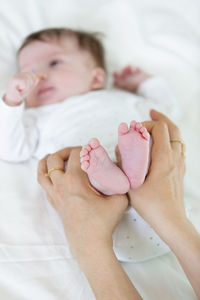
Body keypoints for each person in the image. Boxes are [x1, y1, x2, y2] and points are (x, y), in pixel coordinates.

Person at [0, 27, 179, 263]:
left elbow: (166, 115)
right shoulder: (37, 117)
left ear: (96, 77)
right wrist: (12, 102)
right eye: (27, 72)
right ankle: (108, 177)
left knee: (142, 136)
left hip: (162, 212)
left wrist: (145, 84)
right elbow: (10, 148)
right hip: (104, 217)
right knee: (87, 162)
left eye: (54, 63)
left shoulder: (120, 97)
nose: (39, 76)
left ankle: (126, 168)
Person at [38, 110, 200, 299]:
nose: (44, 79)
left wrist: (89, 245)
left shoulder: (124, 97)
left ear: (98, 78)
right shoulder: (42, 114)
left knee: (88, 176)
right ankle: (126, 173)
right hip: (166, 228)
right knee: (101, 174)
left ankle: (117, 176)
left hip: (107, 222)